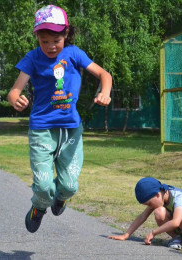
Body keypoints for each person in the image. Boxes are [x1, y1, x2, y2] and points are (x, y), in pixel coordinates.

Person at [8, 5, 112, 233]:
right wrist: (16, 98)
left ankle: (61, 198)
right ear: (37, 37)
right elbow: (14, 90)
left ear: (65, 34)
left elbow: (105, 74)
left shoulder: (74, 54)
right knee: (44, 187)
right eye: (44, 41)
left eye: (56, 40)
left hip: (71, 131)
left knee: (69, 186)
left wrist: (104, 92)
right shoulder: (33, 58)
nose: (50, 46)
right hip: (41, 131)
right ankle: (39, 207)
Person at [108, 177, 182, 252]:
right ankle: (177, 238)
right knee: (159, 212)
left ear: (158, 195)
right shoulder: (158, 197)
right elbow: (142, 217)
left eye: (149, 203)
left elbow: (176, 222)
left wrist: (153, 233)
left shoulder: (178, 196)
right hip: (179, 228)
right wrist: (126, 235)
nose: (149, 206)